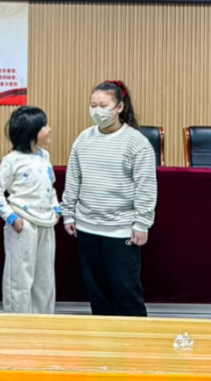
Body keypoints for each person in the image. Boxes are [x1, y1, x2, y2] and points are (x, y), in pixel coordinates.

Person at [62, 80, 157, 318]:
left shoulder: (137, 142)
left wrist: (142, 222)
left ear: (119, 107)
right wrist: (68, 213)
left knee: (126, 293)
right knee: (97, 293)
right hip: (87, 227)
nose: (97, 111)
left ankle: (134, 339)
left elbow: (145, 187)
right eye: (93, 105)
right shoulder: (83, 139)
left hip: (121, 229)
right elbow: (73, 178)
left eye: (103, 106)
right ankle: (103, 339)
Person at [0, 106, 60, 315]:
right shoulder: (12, 160)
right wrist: (12, 218)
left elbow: (50, 186)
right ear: (32, 131)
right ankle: (17, 321)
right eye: (44, 126)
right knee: (19, 277)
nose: (49, 129)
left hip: (46, 223)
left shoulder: (45, 156)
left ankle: (43, 321)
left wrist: (56, 208)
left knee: (44, 278)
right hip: (23, 225)